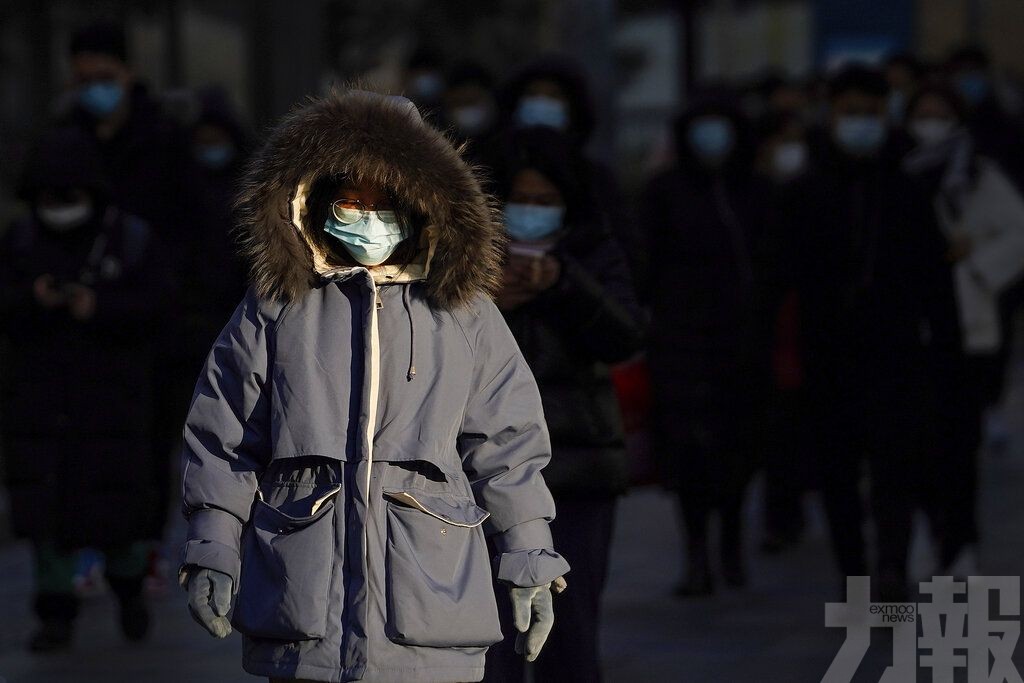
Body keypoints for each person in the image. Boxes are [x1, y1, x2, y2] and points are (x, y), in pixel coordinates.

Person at [177, 89, 569, 683]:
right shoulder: (279, 307)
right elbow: (225, 433)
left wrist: (530, 550)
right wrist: (213, 545)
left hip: (429, 594)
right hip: (304, 592)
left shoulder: (463, 313)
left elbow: (507, 441)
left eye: (384, 201)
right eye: (350, 201)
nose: (367, 217)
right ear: (315, 201)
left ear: (419, 203)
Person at [785, 66, 962, 599]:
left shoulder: (906, 189)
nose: (860, 123)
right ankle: (854, 570)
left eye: (870, 113)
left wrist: (946, 349)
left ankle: (889, 567)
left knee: (896, 468)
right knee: (838, 472)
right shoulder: (806, 191)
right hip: (828, 354)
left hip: (896, 353)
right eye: (850, 113)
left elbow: (935, 277)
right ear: (832, 116)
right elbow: (779, 275)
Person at [0, 127, 174, 650]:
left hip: (113, 401)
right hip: (42, 401)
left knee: (118, 511)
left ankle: (128, 592)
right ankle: (55, 613)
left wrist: (100, 308)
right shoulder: (21, 241)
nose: (58, 209)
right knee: (49, 519)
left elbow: (160, 307)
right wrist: (33, 301)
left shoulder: (130, 239)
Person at [484, 127, 642, 682]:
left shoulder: (592, 253)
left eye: (545, 201)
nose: (531, 211)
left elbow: (625, 337)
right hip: (486, 470)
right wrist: (487, 300)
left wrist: (565, 285)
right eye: (521, 199)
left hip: (576, 465)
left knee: (567, 628)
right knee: (493, 634)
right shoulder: (472, 259)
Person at [641, 95, 769, 596]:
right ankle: (697, 555)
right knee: (689, 454)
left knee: (738, 450)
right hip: (680, 343)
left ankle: (731, 548)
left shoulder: (756, 193)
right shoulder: (665, 192)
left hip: (742, 343)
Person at [902, 82, 1024, 572]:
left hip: (965, 323)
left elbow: (1019, 230)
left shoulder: (977, 172)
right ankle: (920, 531)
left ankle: (960, 539)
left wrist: (978, 264)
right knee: (911, 440)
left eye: (940, 112)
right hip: (909, 325)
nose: (930, 122)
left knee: (958, 441)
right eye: (922, 111)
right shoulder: (894, 172)